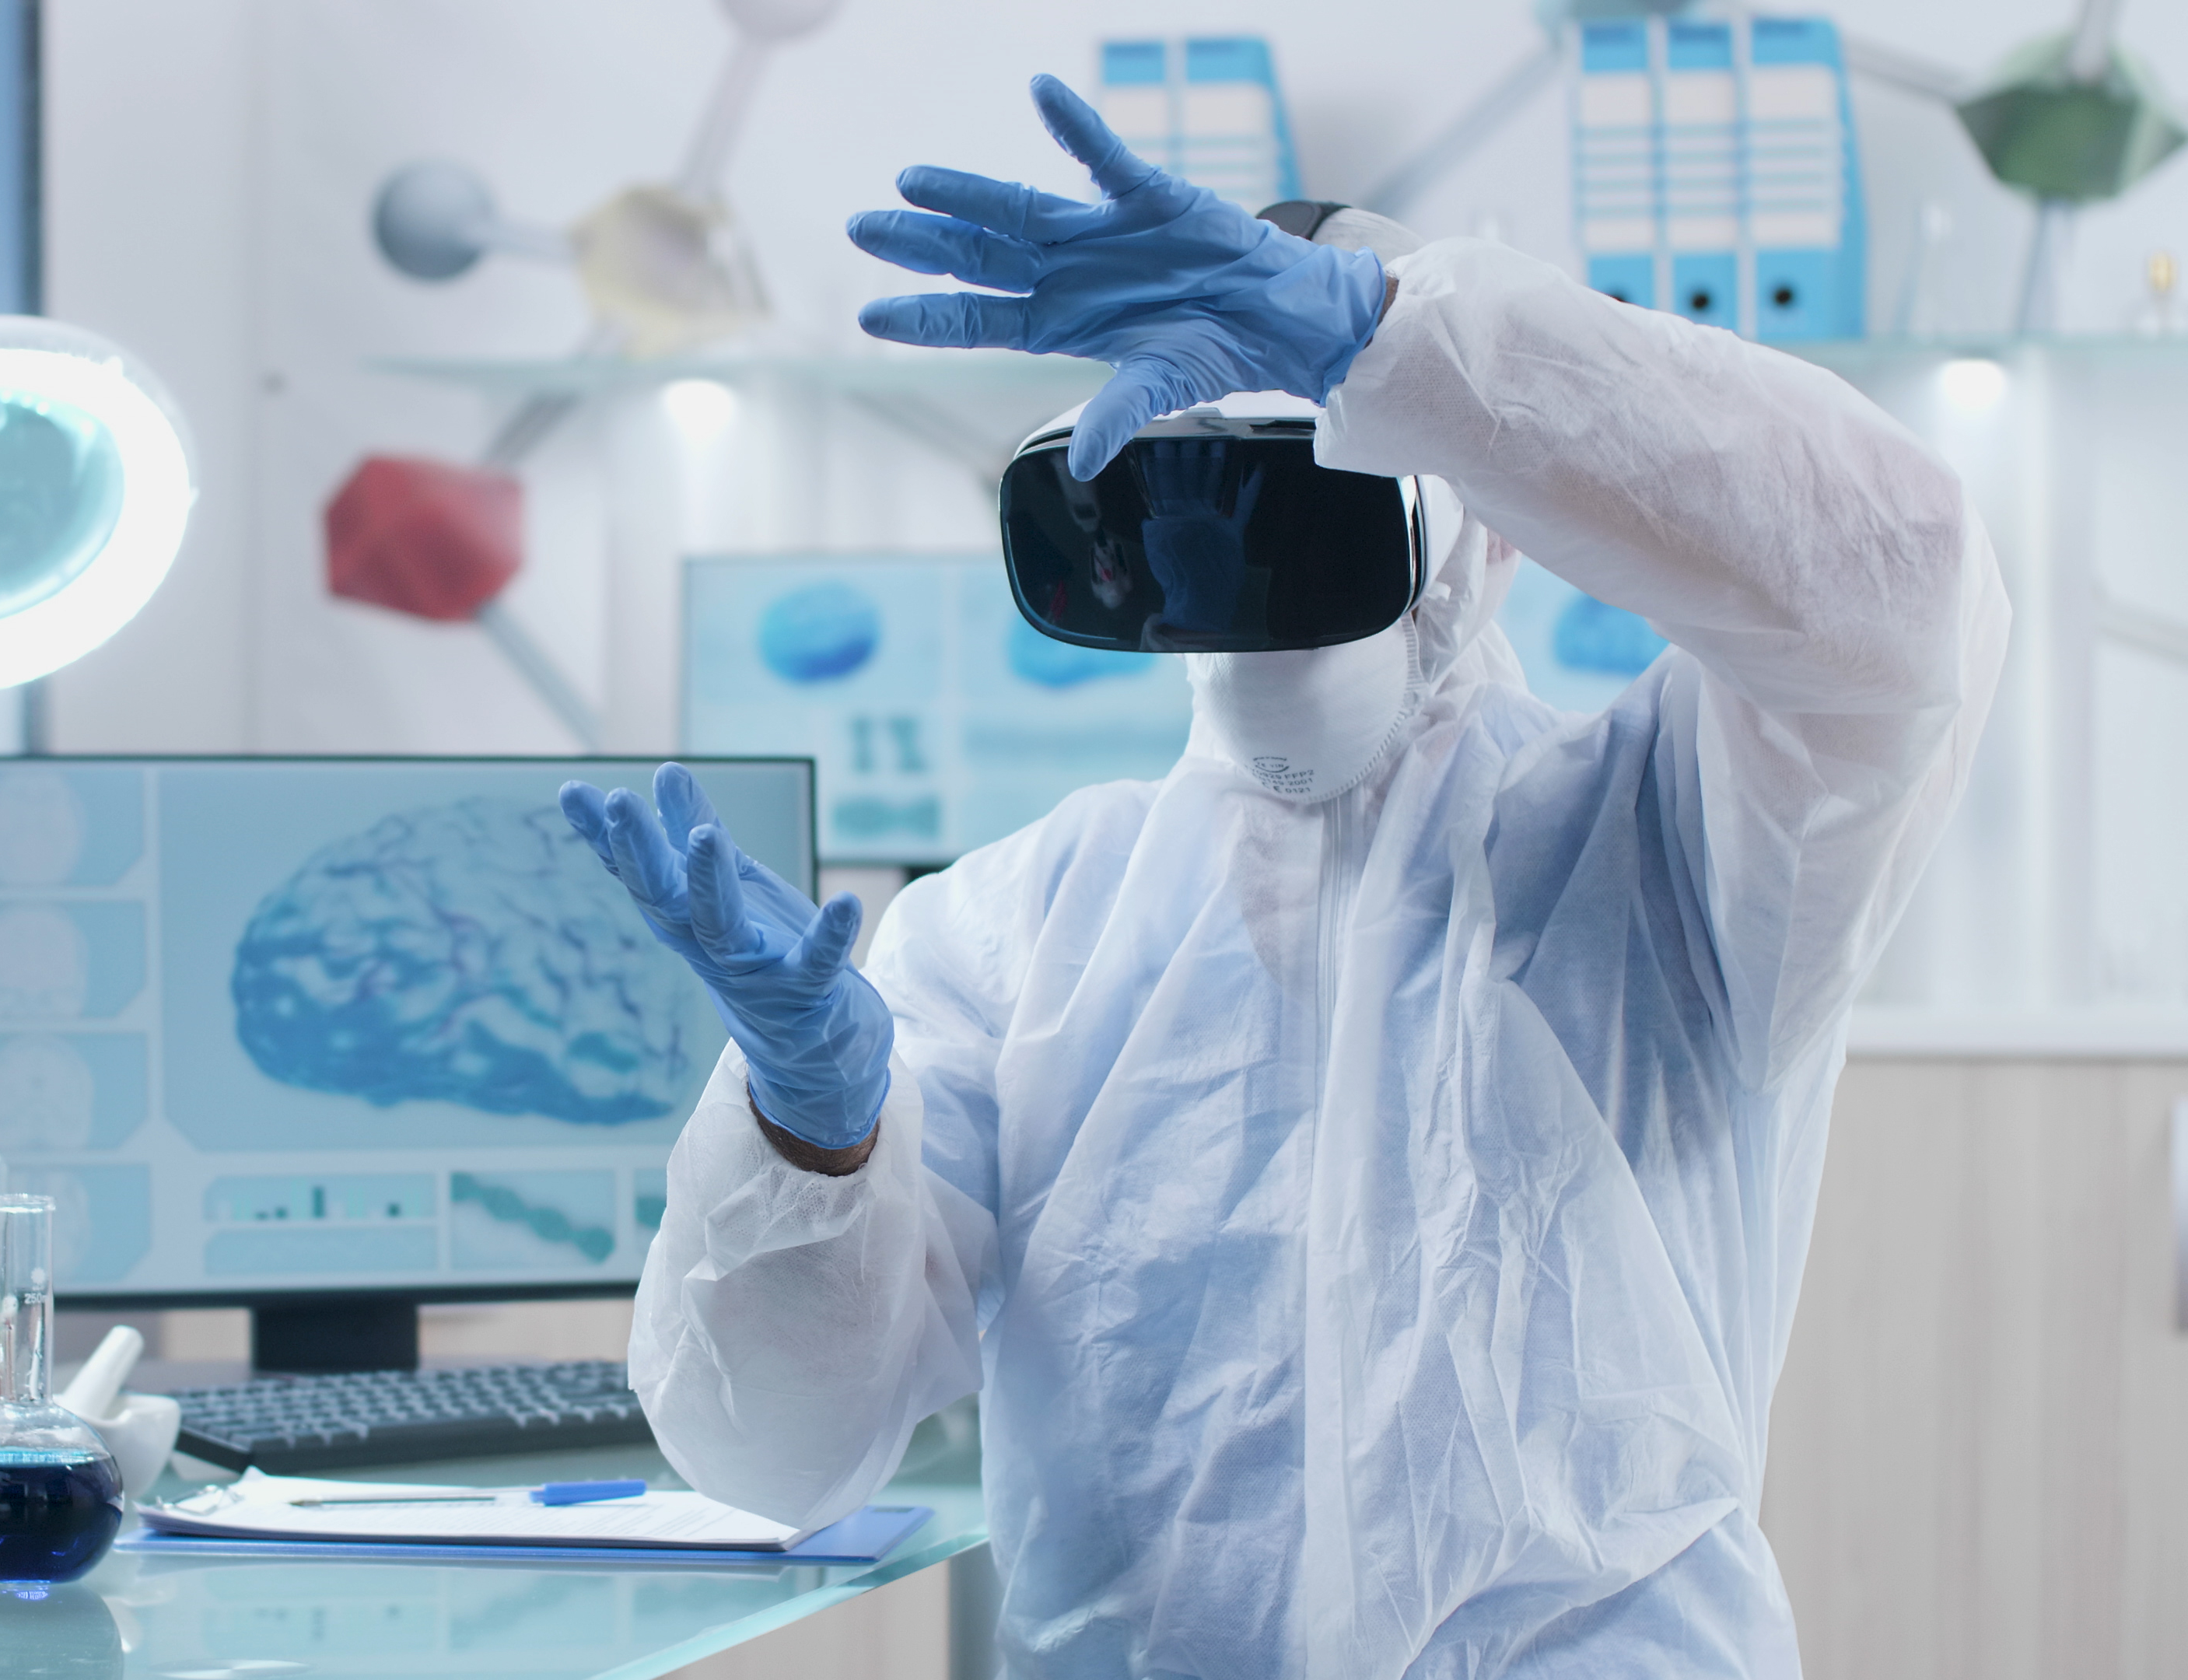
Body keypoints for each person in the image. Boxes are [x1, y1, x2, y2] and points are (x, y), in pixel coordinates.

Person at [560, 75, 2004, 1679]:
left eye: (1305, 489)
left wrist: (1383, 340)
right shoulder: (1012, 934)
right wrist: (806, 1141)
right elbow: (772, 1454)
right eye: (1191, 516)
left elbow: (1898, 590)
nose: (1227, 571)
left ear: (1486, 525)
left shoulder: (1671, 835)